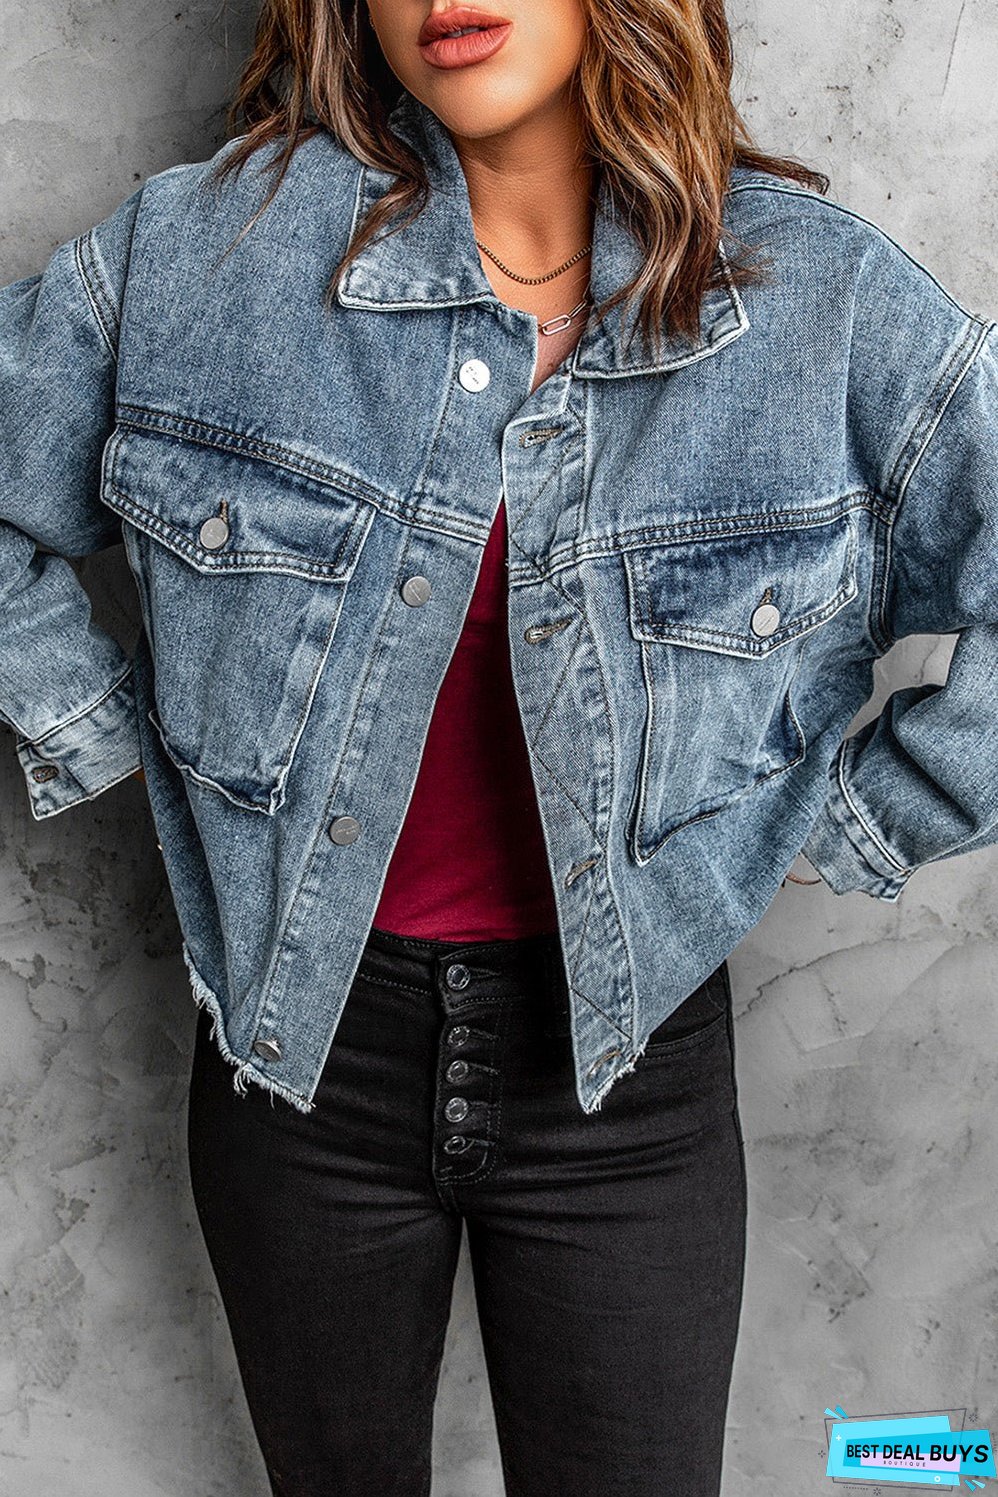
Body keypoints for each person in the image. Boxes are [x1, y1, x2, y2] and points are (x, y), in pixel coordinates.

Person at [3, 2, 997, 1494]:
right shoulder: (209, 256)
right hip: (296, 1064)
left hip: (628, 1081)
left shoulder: (820, 306)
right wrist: (103, 733)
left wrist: (862, 820)